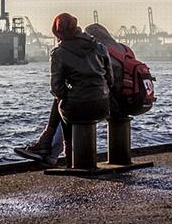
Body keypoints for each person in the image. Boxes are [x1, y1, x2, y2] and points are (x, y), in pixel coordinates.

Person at [15, 13, 113, 166]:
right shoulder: (99, 47)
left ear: (57, 33)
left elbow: (56, 89)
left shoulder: (59, 52)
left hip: (77, 108)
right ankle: (47, 144)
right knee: (69, 100)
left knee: (63, 101)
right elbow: (110, 79)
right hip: (103, 107)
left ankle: (66, 156)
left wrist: (68, 93)